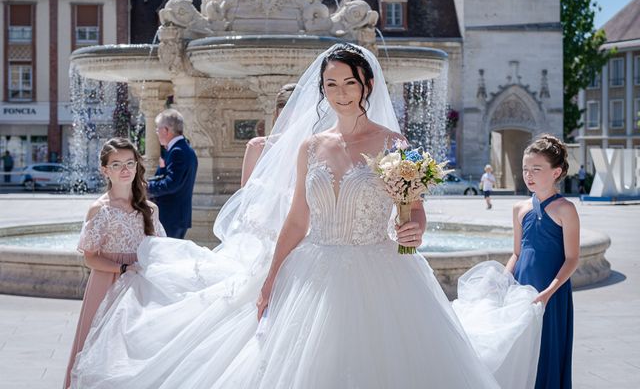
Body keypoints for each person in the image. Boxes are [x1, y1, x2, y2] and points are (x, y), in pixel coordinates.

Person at [71, 44, 543, 389]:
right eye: (331, 84)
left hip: (383, 271)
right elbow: (297, 219)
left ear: (368, 86)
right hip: (312, 269)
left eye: (349, 83)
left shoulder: (395, 145)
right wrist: (271, 279)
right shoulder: (310, 146)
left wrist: (413, 227)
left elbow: (414, 215)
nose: (340, 93)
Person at [64, 138, 166, 388]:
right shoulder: (99, 209)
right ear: (104, 170)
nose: (125, 170)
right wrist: (122, 268)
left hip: (141, 286)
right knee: (101, 348)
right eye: (117, 164)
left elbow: (159, 248)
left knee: (137, 349)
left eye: (130, 163)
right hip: (107, 283)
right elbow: (90, 256)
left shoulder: (149, 209)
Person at [506, 134, 580, 389]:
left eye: (536, 169)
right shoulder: (519, 208)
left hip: (551, 292)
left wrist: (548, 292)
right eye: (526, 169)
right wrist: (504, 280)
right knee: (521, 351)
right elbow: (517, 253)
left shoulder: (565, 209)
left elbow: (572, 259)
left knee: (546, 349)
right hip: (521, 289)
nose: (529, 175)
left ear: (556, 172)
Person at [148, 109, 198, 239]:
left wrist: (145, 187)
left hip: (171, 217)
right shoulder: (184, 149)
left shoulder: (178, 152)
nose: (157, 133)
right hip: (176, 217)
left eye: (158, 129)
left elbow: (171, 184)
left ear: (166, 130)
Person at [241, 83, 297, 186]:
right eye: (284, 119)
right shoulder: (257, 146)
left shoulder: (314, 149)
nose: (290, 124)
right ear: (276, 114)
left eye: (296, 118)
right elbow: (245, 194)